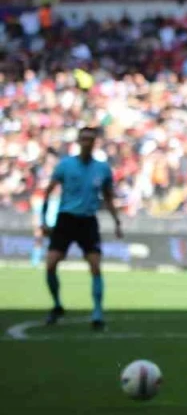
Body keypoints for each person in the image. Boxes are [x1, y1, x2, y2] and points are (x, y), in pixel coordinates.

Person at [40, 127, 123, 331]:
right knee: (51, 264)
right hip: (66, 218)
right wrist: (43, 220)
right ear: (78, 140)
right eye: (83, 138)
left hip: (88, 221)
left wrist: (117, 222)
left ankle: (97, 312)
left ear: (95, 142)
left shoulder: (102, 169)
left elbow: (109, 197)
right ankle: (57, 305)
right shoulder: (66, 165)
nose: (86, 142)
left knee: (95, 265)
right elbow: (48, 191)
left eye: (90, 139)